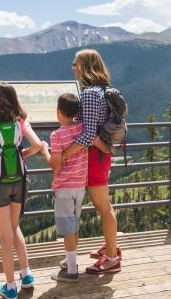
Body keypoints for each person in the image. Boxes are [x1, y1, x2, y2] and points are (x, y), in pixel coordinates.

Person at [0, 82, 41, 299]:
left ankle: (10, 287)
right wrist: (23, 155)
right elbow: (39, 145)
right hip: (19, 180)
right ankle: (27, 274)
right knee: (14, 226)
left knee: (4, 235)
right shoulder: (21, 122)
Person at [60, 49, 122, 274]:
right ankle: (111, 247)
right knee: (103, 206)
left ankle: (112, 258)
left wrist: (64, 153)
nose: (73, 68)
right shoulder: (104, 90)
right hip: (100, 155)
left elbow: (88, 134)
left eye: (75, 64)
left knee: (103, 208)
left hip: (94, 158)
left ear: (85, 66)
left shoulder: (89, 93)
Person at [41, 93, 110, 282]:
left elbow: (56, 166)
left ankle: (71, 270)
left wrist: (44, 151)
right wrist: (107, 149)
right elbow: (101, 145)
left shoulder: (56, 135)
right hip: (80, 186)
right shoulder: (83, 129)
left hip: (63, 188)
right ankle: (70, 260)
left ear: (58, 112)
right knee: (74, 226)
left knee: (67, 230)